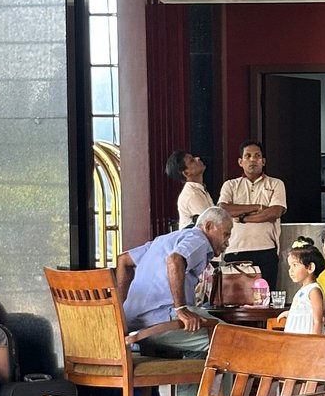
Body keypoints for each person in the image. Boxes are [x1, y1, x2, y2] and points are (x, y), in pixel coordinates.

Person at [116, 205, 233, 360]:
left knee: (201, 350)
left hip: (133, 326)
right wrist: (181, 309)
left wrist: (119, 310)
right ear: (209, 226)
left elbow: (123, 260)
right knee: (234, 340)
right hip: (162, 320)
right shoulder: (199, 239)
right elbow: (175, 259)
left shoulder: (163, 240)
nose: (227, 243)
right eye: (226, 234)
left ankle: (195, 378)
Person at [218, 140, 286, 290]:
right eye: (248, 156)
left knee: (265, 298)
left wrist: (242, 218)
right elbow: (224, 210)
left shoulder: (276, 184)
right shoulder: (230, 185)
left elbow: (274, 212)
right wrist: (258, 207)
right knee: (235, 299)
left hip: (266, 249)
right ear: (240, 162)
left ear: (263, 161)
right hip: (235, 250)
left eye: (257, 156)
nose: (253, 160)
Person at [283, 241, 325, 335]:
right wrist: (289, 313)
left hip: (307, 339)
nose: (290, 270)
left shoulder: (314, 290)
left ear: (310, 267)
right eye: (290, 266)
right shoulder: (303, 290)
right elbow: (304, 311)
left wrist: (314, 340)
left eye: (295, 265)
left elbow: (317, 320)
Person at [166, 149, 214, 228]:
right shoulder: (192, 194)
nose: (198, 158)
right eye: (192, 161)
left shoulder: (198, 190)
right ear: (186, 173)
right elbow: (211, 222)